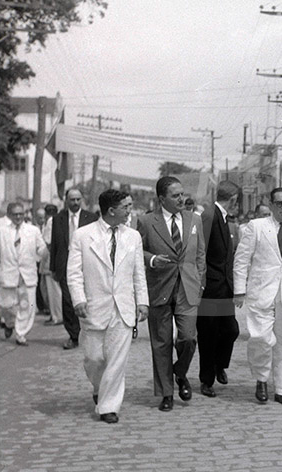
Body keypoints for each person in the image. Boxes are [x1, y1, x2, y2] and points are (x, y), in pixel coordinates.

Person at [67, 189, 148, 424]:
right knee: (94, 359)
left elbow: (138, 273)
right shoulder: (83, 235)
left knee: (116, 360)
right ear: (111, 210)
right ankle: (98, 386)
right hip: (93, 306)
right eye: (126, 207)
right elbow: (73, 273)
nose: (130, 211)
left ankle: (108, 407)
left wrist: (142, 301)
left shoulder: (133, 237)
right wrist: (78, 298)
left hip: (123, 308)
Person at [233, 187, 282, 405]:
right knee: (260, 338)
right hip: (261, 293)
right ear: (271, 205)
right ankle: (261, 377)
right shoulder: (256, 227)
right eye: (279, 203)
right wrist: (239, 289)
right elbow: (241, 259)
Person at [138, 176, 207, 412]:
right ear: (161, 199)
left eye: (182, 194)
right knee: (161, 342)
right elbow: (138, 251)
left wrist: (200, 283)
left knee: (188, 338)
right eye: (175, 195)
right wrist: (153, 259)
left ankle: (179, 372)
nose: (181, 199)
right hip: (159, 288)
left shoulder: (194, 219)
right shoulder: (147, 222)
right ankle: (166, 393)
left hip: (188, 288)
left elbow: (200, 255)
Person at [197, 181, 241, 398]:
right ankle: (206, 379)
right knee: (208, 335)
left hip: (224, 288)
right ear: (233, 199)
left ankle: (219, 364)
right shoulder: (209, 216)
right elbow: (199, 252)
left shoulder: (222, 217)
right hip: (210, 289)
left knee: (231, 330)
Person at [50, 188, 98, 349]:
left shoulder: (91, 218)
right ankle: (73, 335)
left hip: (86, 265)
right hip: (64, 265)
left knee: (86, 299)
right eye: (72, 199)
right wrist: (53, 268)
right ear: (66, 200)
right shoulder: (58, 219)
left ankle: (88, 333)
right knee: (68, 301)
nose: (75, 202)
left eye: (78, 199)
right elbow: (55, 245)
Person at [0, 202, 46, 345]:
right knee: (5, 304)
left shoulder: (33, 230)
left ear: (24, 214)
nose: (18, 217)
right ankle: (10, 324)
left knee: (27, 305)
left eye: (20, 214)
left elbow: (41, 248)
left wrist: (46, 251)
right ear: (9, 215)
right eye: (15, 214)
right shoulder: (1, 232)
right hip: (8, 273)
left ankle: (21, 333)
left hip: (27, 274)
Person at [41, 204, 63, 326]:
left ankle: (56, 316)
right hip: (53, 257)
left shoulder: (51, 222)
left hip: (50, 258)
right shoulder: (56, 220)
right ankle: (55, 314)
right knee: (53, 289)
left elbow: (49, 243)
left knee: (52, 289)